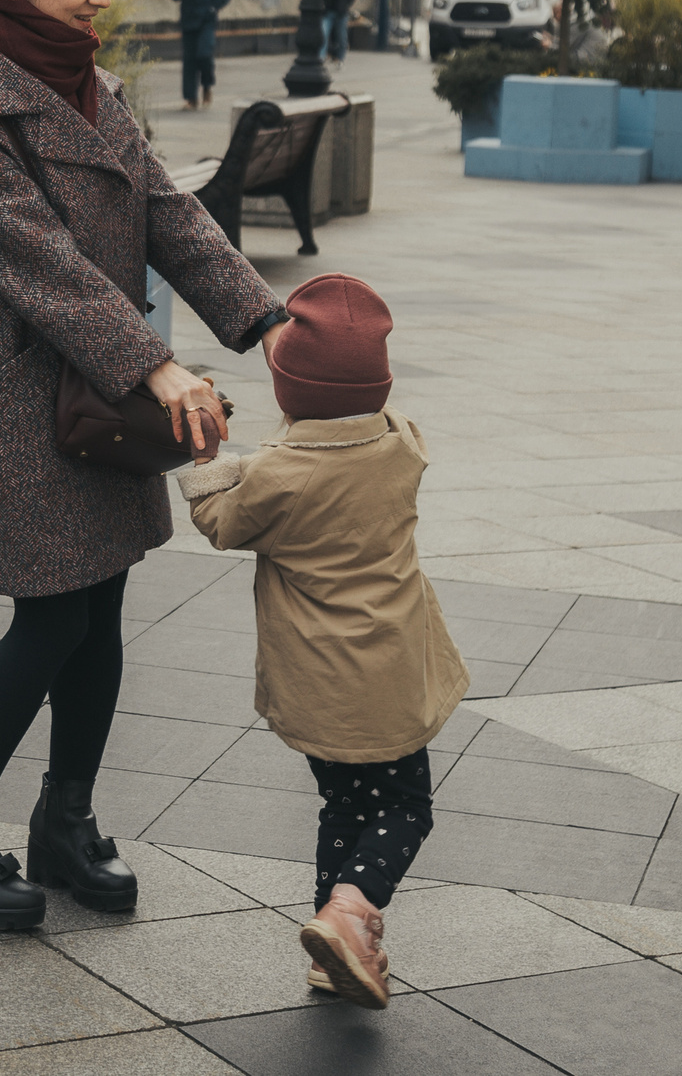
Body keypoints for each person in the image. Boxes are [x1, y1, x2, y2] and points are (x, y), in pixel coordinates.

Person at [0, 0, 287, 933]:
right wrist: (152, 363)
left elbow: (169, 211)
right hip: (19, 385)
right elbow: (40, 265)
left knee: (103, 597)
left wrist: (262, 319)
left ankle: (64, 821)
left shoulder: (93, 88)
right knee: (50, 611)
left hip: (98, 378)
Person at [178, 275, 467, 1012]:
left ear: (289, 394)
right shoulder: (402, 445)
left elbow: (222, 519)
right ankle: (352, 912)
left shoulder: (279, 473)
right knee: (405, 809)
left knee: (342, 806)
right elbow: (359, 426)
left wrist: (210, 452)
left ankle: (333, 943)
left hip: (318, 680)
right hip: (389, 674)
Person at [167, 0, 230, 111]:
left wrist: (212, 7)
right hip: (188, 20)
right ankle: (191, 99)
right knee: (189, 61)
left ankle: (207, 85)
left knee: (204, 54)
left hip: (207, 21)